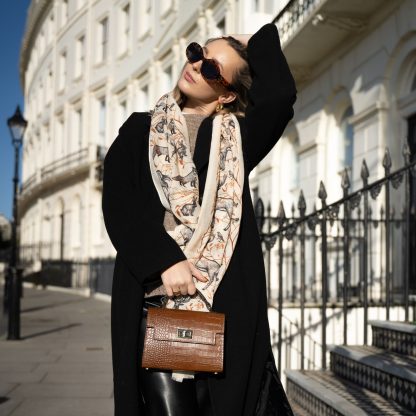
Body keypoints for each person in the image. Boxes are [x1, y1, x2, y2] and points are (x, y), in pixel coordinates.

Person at [102, 22, 297, 416]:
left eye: (212, 68)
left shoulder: (237, 139)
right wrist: (165, 261)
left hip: (224, 306)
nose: (196, 65)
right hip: (155, 298)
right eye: (197, 53)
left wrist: (252, 41)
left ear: (226, 93)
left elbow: (279, 96)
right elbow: (119, 202)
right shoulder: (140, 129)